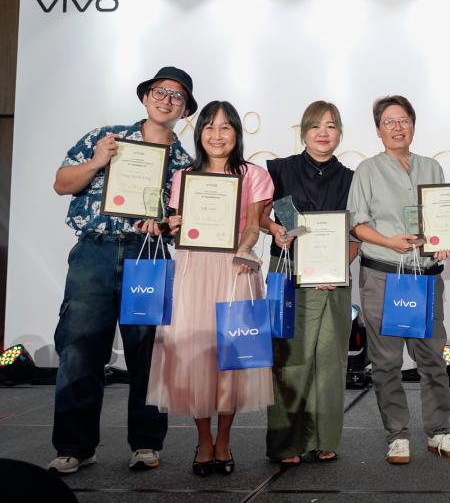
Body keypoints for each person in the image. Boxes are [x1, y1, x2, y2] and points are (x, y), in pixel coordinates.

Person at [48, 66, 196, 474]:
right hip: (93, 253)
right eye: (160, 92)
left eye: (176, 96)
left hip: (147, 254)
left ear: (184, 110)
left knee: (148, 353)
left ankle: (147, 443)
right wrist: (97, 162)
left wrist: (165, 223)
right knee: (79, 350)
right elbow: (62, 183)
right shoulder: (106, 137)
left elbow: (183, 221)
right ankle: (75, 447)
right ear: (146, 96)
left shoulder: (185, 162)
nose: (166, 100)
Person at [146, 100, 275, 477]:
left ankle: (225, 439)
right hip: (191, 268)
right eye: (209, 128)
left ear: (237, 133)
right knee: (196, 356)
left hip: (234, 267)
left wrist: (244, 247)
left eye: (225, 128)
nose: (217, 136)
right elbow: (178, 223)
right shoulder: (183, 176)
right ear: (200, 133)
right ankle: (203, 440)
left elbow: (254, 224)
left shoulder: (254, 174)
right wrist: (173, 224)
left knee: (231, 357)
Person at [346, 95, 450, 464]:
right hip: (383, 274)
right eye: (389, 121)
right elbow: (357, 224)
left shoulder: (432, 168)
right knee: (385, 362)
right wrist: (389, 242)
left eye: (403, 120)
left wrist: (445, 244)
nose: (397, 127)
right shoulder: (367, 170)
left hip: (425, 277)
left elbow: (443, 219)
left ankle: (439, 431)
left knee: (433, 358)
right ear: (378, 129)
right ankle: (397, 435)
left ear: (413, 125)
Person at [261, 101, 357, 466]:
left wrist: (338, 266)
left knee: (330, 361)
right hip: (287, 273)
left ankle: (323, 437)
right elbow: (257, 215)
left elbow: (356, 232)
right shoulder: (279, 170)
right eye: (316, 126)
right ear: (303, 131)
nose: (323, 132)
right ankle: (286, 442)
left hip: (333, 279)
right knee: (289, 359)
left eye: (331, 126)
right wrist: (273, 228)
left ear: (340, 134)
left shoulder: (351, 178)